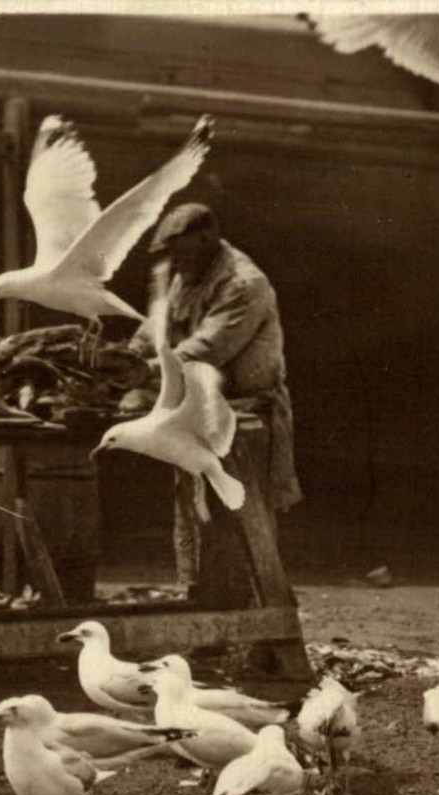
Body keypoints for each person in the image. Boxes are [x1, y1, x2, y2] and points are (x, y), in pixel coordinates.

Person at [129, 203, 303, 584]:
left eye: (179, 247)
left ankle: (256, 624)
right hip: (196, 408)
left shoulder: (244, 282)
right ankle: (202, 616)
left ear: (205, 238)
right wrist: (128, 354)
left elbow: (210, 346)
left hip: (245, 414)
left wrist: (142, 371)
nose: (173, 259)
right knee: (195, 517)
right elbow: (156, 327)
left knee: (241, 519)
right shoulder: (186, 274)